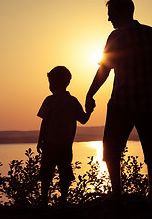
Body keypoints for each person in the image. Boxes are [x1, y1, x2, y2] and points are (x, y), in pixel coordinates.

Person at [85, 0, 152, 204]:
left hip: (122, 102)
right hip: (149, 102)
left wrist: (90, 93)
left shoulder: (116, 37)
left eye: (110, 13)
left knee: (111, 148)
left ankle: (117, 193)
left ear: (121, 12)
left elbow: (104, 68)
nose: (108, 18)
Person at [37, 66, 94, 206]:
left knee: (46, 173)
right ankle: (63, 199)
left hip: (50, 143)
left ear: (54, 82)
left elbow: (45, 122)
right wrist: (90, 110)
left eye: (50, 82)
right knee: (65, 172)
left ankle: (44, 200)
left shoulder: (49, 100)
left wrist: (40, 140)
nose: (49, 85)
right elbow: (84, 119)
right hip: (66, 145)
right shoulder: (73, 101)